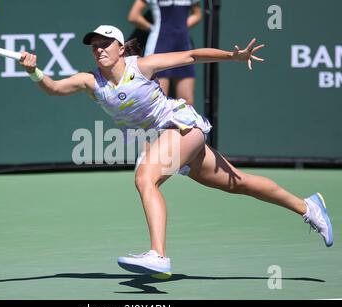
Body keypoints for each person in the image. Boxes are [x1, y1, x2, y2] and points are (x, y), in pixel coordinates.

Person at [19, 25, 333, 279]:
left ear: (120, 47)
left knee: (145, 178)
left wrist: (232, 56)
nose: (99, 49)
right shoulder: (91, 81)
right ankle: (307, 207)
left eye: (105, 43)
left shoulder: (142, 65)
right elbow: (55, 87)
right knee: (239, 183)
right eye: (94, 45)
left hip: (182, 126)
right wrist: (34, 72)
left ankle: (158, 254)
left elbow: (192, 56)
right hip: (171, 141)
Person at [128, 0, 202, 105]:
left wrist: (181, 28)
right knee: (159, 101)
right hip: (159, 46)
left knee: (187, 102)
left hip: (183, 46)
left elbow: (197, 15)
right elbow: (133, 16)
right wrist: (154, 28)